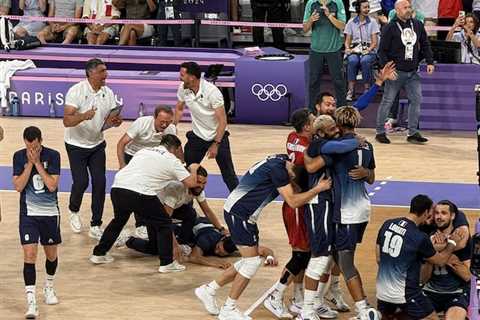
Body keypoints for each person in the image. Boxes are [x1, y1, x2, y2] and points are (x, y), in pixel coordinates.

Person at [195, 154, 332, 320]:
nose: (292, 185)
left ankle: (209, 290)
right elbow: (293, 201)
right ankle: (228, 309)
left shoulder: (280, 159)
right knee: (252, 262)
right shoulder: (279, 171)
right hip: (240, 214)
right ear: (292, 174)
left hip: (242, 213)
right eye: (293, 182)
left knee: (249, 261)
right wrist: (318, 189)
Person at [90, 134, 202, 273]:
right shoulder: (172, 160)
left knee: (118, 221)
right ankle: (167, 263)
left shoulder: (144, 151)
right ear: (178, 148)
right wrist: (194, 168)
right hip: (140, 193)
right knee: (164, 224)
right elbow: (191, 183)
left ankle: (99, 254)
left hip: (118, 188)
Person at [300, 114, 367, 320]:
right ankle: (306, 309)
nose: (336, 130)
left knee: (328, 257)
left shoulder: (329, 141)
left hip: (328, 204)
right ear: (320, 132)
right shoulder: (319, 144)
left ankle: (318, 302)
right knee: (320, 256)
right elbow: (319, 160)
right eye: (331, 129)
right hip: (318, 204)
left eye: (336, 127)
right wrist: (356, 141)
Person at [263, 109, 315, 319]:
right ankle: (277, 293)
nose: (315, 123)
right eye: (313, 121)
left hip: (297, 203)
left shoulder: (292, 137)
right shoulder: (307, 148)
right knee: (301, 255)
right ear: (306, 127)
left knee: (303, 254)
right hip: (296, 204)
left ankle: (297, 298)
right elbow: (303, 169)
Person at [376, 195, 464, 320]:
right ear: (426, 212)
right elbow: (440, 261)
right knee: (432, 318)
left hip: (382, 292)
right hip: (406, 294)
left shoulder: (387, 224)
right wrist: (452, 243)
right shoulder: (419, 237)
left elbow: (379, 258)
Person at [63, 58, 122, 240]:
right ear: (91, 73)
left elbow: (110, 118)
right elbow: (67, 121)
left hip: (97, 144)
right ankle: (74, 210)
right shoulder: (76, 91)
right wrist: (83, 116)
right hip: (76, 146)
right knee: (81, 182)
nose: (106, 75)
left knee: (100, 183)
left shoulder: (108, 92)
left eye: (106, 71)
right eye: (102, 71)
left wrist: (115, 122)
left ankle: (96, 224)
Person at [12, 126, 61, 319]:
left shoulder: (54, 155)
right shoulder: (18, 157)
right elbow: (18, 187)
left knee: (51, 256)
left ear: (41, 141)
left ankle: (49, 287)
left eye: (36, 146)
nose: (32, 149)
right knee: (30, 254)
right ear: (25, 142)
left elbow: (51, 185)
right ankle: (31, 302)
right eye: (29, 146)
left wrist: (38, 163)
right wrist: (29, 165)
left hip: (49, 214)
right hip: (28, 214)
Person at [126, 165, 226, 252]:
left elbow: (207, 211)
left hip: (169, 208)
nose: (201, 186)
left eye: (204, 183)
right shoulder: (175, 190)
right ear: (190, 180)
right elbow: (165, 220)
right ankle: (127, 239)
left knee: (190, 214)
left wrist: (221, 229)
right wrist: (174, 245)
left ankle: (183, 242)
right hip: (151, 211)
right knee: (155, 248)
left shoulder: (197, 189)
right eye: (199, 182)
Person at [375, 0, 434, 144]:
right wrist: (386, 68)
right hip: (396, 71)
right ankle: (380, 132)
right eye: (405, 7)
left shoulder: (418, 25)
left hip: (413, 72)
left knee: (416, 100)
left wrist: (430, 61)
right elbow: (381, 51)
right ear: (396, 10)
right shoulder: (390, 27)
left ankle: (413, 132)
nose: (408, 9)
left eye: (409, 7)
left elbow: (425, 44)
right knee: (387, 101)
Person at [174, 61, 239, 193]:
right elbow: (179, 109)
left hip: (217, 136)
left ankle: (239, 206)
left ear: (192, 77)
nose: (179, 77)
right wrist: (172, 127)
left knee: (229, 175)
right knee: (187, 171)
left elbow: (222, 120)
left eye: (182, 74)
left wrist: (216, 143)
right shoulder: (183, 88)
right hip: (197, 137)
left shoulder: (212, 92)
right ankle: (186, 205)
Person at [116, 105, 176, 239]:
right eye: (162, 121)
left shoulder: (170, 129)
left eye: (168, 121)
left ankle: (148, 223)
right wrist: (122, 165)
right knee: (137, 190)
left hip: (152, 159)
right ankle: (140, 225)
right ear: (154, 118)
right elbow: (121, 143)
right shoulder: (141, 123)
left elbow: (175, 149)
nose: (165, 124)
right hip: (132, 156)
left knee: (150, 190)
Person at [422, 201, 471, 320]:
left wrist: (445, 254)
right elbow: (422, 279)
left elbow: (467, 276)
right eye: (437, 213)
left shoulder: (461, 238)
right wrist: (431, 256)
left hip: (456, 292)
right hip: (430, 291)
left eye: (444, 213)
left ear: (452, 216)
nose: (439, 217)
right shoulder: (427, 239)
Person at [304, 0, 348, 112]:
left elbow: (342, 26)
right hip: (316, 49)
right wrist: (311, 20)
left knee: (338, 81)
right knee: (313, 81)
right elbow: (305, 29)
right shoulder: (311, 3)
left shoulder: (337, 3)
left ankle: (342, 110)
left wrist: (329, 16)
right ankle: (312, 111)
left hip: (334, 49)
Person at [344, 0, 381, 101]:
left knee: (365, 60)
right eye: (365, 7)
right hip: (355, 49)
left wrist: (368, 50)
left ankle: (367, 89)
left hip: (370, 49)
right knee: (352, 61)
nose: (367, 9)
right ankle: (351, 91)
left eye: (368, 7)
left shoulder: (373, 22)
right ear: (358, 9)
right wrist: (347, 48)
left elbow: (375, 42)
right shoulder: (351, 22)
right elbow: (347, 41)